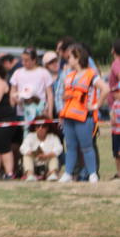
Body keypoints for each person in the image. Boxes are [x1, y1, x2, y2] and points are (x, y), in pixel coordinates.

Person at [58, 44, 109, 183]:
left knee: (87, 146)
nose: (68, 59)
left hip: (83, 116)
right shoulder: (69, 75)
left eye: (70, 57)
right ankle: (68, 173)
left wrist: (96, 105)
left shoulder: (91, 74)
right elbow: (64, 94)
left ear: (78, 57)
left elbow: (105, 89)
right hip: (68, 116)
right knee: (71, 146)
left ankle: (92, 174)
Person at [10, 47, 54, 121]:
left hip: (40, 111)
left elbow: (49, 94)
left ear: (34, 60)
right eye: (22, 60)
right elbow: (12, 92)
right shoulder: (17, 72)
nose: (23, 63)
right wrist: (15, 103)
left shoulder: (43, 72)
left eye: (27, 60)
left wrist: (50, 112)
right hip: (23, 112)